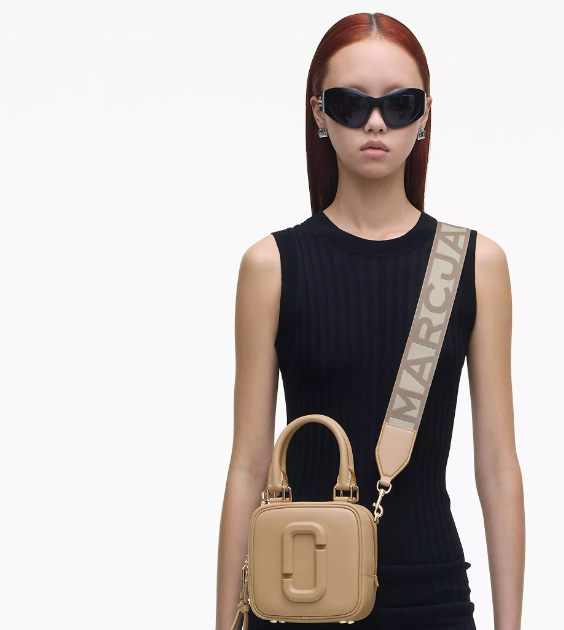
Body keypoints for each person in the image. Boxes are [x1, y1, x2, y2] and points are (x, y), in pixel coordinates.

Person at [216, 12, 524, 630]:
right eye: (351, 104)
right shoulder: (271, 266)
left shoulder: (472, 263)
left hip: (431, 596)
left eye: (400, 104)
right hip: (300, 591)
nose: (376, 122)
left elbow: (497, 465)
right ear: (319, 114)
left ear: (426, 115)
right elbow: (248, 465)